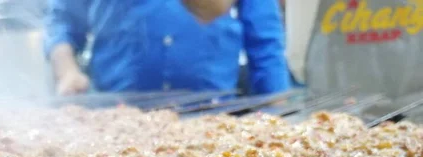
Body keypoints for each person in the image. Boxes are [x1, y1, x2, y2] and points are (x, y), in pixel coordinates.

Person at [44, 0, 290, 96]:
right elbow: (62, 20)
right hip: (116, 116)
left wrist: (278, 113)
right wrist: (67, 72)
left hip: (210, 116)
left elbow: (265, 44)